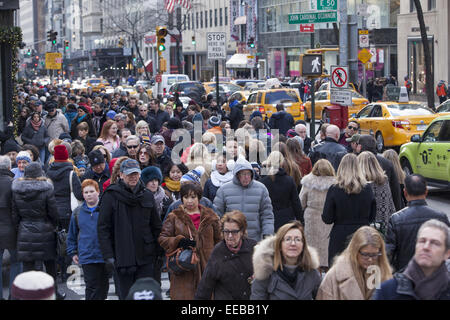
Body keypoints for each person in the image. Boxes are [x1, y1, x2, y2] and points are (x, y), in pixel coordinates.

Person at [97, 159, 162, 300]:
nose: (133, 177)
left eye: (136, 174)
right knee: (126, 296)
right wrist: (108, 255)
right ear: (121, 175)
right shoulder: (110, 196)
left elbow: (156, 226)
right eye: (129, 174)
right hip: (122, 257)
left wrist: (159, 251)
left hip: (145, 256)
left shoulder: (147, 195)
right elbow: (103, 228)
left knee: (147, 296)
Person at [158, 182, 222, 300]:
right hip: (184, 270)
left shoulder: (210, 216)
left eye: (193, 197)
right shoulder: (174, 216)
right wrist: (179, 241)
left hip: (207, 268)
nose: (189, 201)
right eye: (186, 197)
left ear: (199, 198)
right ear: (181, 198)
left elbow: (220, 241)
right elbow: (163, 239)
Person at [11, 162, 65, 300]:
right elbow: (53, 212)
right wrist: (53, 225)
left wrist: (21, 228)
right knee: (50, 265)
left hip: (25, 230)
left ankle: (26, 295)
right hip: (45, 230)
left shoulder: (16, 190)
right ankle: (54, 293)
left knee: (28, 267)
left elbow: (15, 215)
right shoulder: (47, 189)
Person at [385, 174, 449, 272]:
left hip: (405, 274)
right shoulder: (441, 217)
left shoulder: (396, 219)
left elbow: (388, 254)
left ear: (405, 193)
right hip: (434, 274)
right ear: (426, 191)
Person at [322, 153, 377, 266]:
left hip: (340, 234)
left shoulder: (334, 189)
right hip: (362, 233)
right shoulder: (367, 189)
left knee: (338, 272)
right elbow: (372, 216)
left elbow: (327, 218)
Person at [374, 219, 450, 300]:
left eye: (435, 243)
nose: (426, 247)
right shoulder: (388, 290)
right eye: (422, 241)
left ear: (447, 254)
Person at [316, 226, 393, 300]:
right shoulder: (335, 275)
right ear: (355, 251)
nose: (370, 259)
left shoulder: (383, 275)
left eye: (374, 255)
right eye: (365, 254)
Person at [250, 221, 321, 300]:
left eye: (297, 239)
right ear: (279, 245)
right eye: (288, 239)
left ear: (303, 245)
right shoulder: (265, 273)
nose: (293, 243)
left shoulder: (312, 273)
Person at [195, 211, 257, 300]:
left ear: (242, 232)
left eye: (234, 232)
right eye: (226, 232)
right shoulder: (218, 252)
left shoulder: (254, 247)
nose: (230, 236)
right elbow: (205, 286)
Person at [66, 179, 109, 300]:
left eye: (91, 191)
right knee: (91, 286)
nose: (89, 194)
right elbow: (72, 234)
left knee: (103, 286)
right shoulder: (78, 212)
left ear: (98, 192)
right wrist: (72, 251)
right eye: (86, 192)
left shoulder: (105, 210)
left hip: (103, 254)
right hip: (87, 255)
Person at [46, 144, 83, 282]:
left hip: (52, 212)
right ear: (67, 156)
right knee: (68, 241)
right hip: (68, 212)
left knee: (55, 241)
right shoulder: (71, 172)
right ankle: (67, 271)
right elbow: (79, 194)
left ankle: (57, 268)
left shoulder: (48, 172)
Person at [214, 157, 274, 241]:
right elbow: (217, 216)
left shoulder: (261, 189)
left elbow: (267, 215)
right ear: (237, 175)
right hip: (230, 239)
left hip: (254, 239)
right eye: (243, 174)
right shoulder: (223, 190)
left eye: (248, 174)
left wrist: (267, 235)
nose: (246, 177)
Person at [300, 159, 337, 272]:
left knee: (312, 247)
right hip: (329, 219)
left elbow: (301, 202)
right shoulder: (335, 184)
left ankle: (314, 270)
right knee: (326, 247)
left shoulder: (308, 182)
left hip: (311, 218)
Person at [357, 134, 403, 211]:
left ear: (360, 146)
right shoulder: (387, 163)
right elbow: (395, 190)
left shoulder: (356, 162)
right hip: (382, 207)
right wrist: (397, 210)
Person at [260, 151, 303, 232]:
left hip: (269, 219)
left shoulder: (263, 181)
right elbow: (295, 202)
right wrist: (300, 219)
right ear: (281, 162)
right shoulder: (289, 180)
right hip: (286, 218)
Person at [0, 156, 22, 300]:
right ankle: (13, 296)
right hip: (12, 229)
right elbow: (17, 209)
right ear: (9, 167)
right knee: (16, 262)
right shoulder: (13, 184)